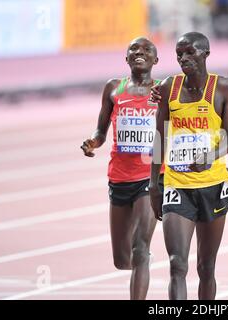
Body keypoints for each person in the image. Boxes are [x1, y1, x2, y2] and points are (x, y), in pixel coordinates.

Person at [149, 32, 228, 300]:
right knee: (177, 264)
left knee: (206, 266)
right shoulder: (168, 87)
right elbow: (160, 138)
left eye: (190, 52)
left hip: (213, 185)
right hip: (177, 185)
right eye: (179, 54)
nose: (183, 58)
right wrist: (154, 184)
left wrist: (210, 157)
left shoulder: (223, 88)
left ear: (206, 53)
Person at [80, 37, 163, 300]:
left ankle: (143, 261)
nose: (140, 52)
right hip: (119, 178)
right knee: (121, 259)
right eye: (134, 50)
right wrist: (93, 141)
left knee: (139, 250)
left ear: (155, 60)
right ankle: (143, 262)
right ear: (126, 58)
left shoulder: (163, 91)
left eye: (146, 50)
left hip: (150, 179)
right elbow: (101, 130)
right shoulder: (114, 88)